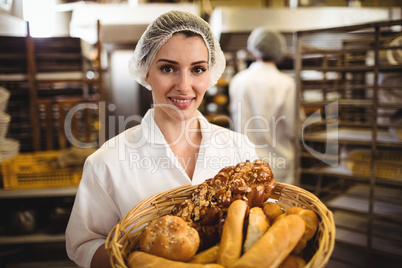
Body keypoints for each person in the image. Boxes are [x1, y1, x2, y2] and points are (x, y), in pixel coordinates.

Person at [65, 10, 257, 268]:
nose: (184, 85)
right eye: (168, 68)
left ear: (210, 75)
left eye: (197, 69)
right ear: (145, 71)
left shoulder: (240, 149)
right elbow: (84, 244)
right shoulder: (106, 163)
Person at [229, 28, 301, 185]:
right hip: (278, 165)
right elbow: (293, 128)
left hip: (245, 164)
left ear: (253, 49)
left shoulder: (238, 81)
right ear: (279, 51)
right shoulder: (287, 83)